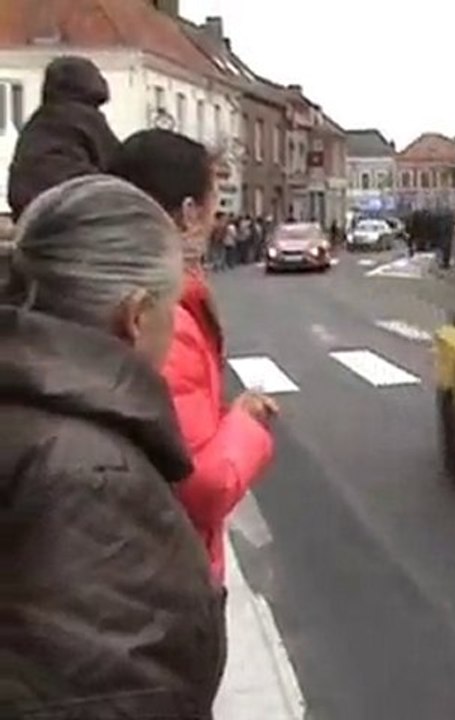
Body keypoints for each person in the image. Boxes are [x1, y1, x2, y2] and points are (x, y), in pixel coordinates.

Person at [0, 175, 224, 719]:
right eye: (171, 307)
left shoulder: (34, 413)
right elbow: (109, 696)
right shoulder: (91, 476)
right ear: (136, 315)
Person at [110, 129, 276, 590]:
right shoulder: (164, 319)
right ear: (187, 215)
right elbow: (202, 485)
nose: (214, 223)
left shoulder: (103, 286)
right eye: (213, 208)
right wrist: (246, 423)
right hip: (170, 578)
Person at [7, 56, 121, 222]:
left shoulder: (38, 122)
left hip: (32, 212)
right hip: (75, 207)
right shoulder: (83, 118)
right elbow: (117, 162)